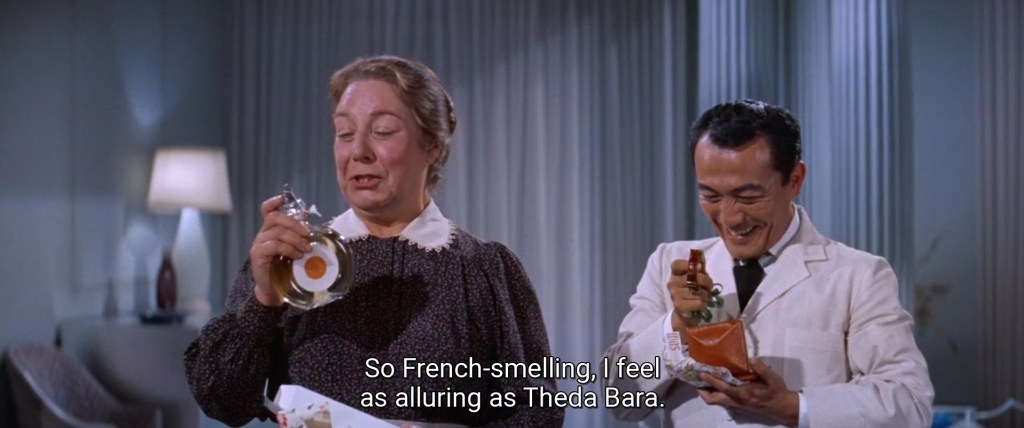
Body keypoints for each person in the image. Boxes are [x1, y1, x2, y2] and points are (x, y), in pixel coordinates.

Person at [184, 55, 564, 427]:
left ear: (432, 145)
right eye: (344, 133)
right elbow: (223, 402)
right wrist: (264, 300)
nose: (358, 152)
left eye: (383, 131)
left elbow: (538, 413)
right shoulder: (289, 262)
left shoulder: (485, 270)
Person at [603, 99, 933, 427]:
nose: (730, 217)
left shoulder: (858, 275)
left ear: (795, 180)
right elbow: (618, 400)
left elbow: (909, 405)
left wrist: (792, 406)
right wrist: (675, 326)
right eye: (711, 196)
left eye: (749, 197)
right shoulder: (668, 263)